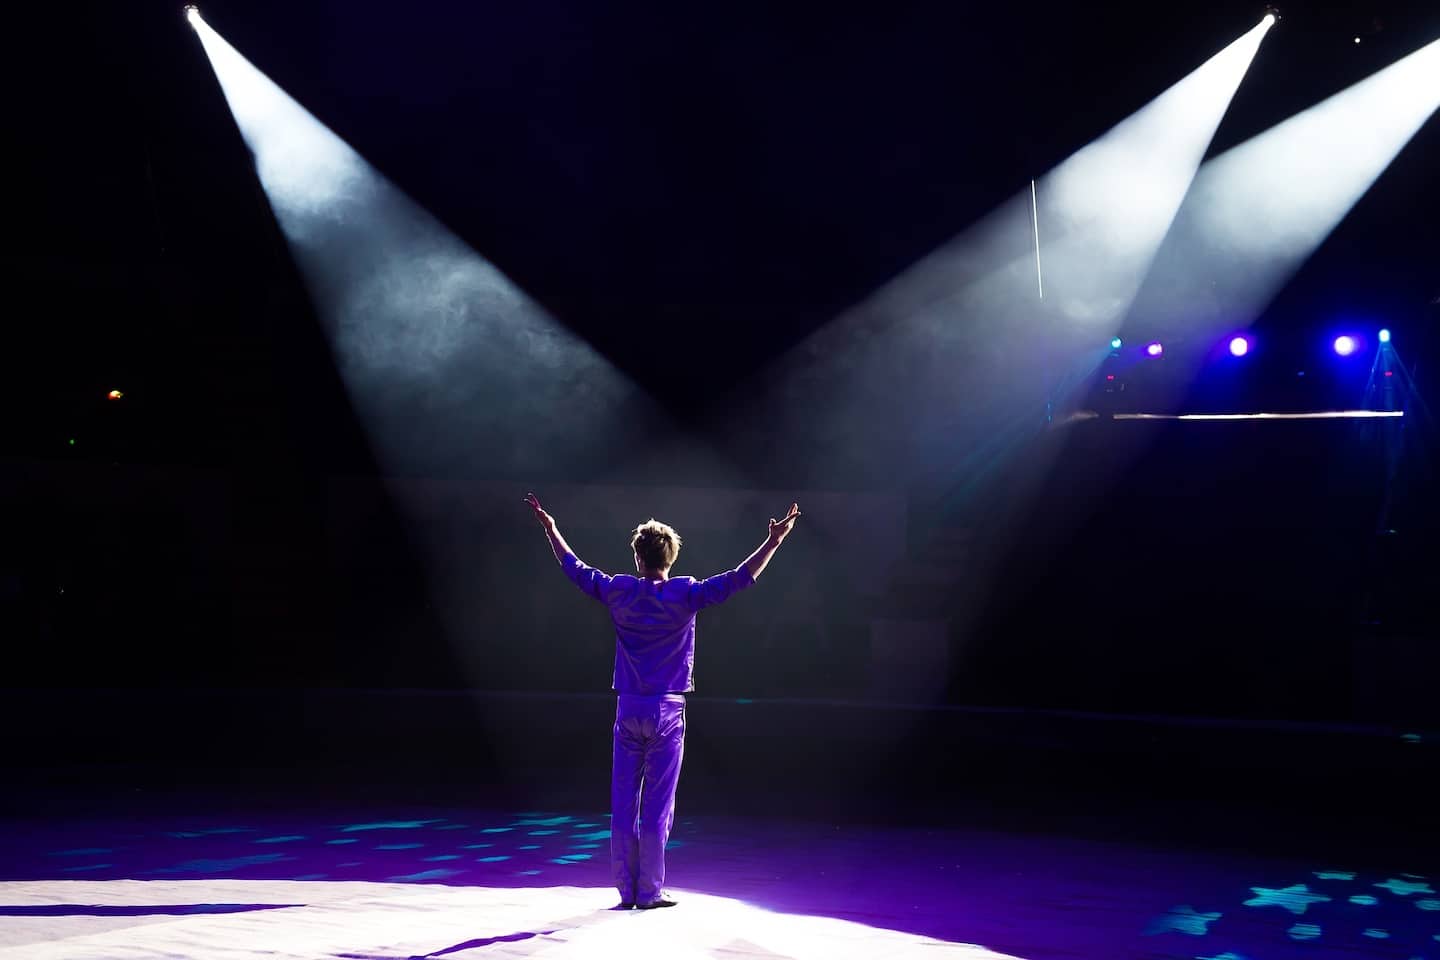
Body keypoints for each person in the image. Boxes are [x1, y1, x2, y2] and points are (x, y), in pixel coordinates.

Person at [524, 492, 800, 910]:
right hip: (667, 709)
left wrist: (552, 530)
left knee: (623, 802)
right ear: (669, 557)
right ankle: (649, 890)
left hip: (629, 706)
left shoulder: (620, 590)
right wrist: (774, 542)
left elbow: (575, 569)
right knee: (657, 807)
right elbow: (738, 578)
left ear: (638, 557)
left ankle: (626, 890)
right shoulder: (685, 593)